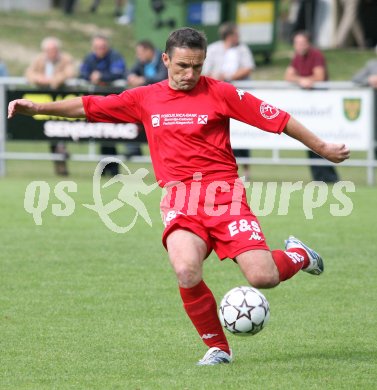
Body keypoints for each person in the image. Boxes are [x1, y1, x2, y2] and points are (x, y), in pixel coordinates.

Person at [8, 27, 350, 366]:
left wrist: (322, 148)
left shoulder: (221, 93)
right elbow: (89, 106)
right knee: (186, 270)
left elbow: (278, 119)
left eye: (198, 66)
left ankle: (298, 255)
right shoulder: (145, 98)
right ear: (166, 59)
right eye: (182, 66)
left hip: (225, 197)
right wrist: (36, 107)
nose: (190, 74)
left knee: (263, 277)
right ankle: (219, 348)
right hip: (179, 200)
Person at [202, 22, 256, 180]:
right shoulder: (213, 49)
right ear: (229, 35)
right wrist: (217, 79)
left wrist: (229, 77)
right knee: (218, 133)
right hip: (216, 97)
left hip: (238, 97)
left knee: (242, 134)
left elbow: (248, 67)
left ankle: (245, 170)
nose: (238, 37)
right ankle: (217, 169)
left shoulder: (242, 49)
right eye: (236, 34)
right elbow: (206, 71)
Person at [285, 30, 339, 183]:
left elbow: (319, 77)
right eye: (297, 43)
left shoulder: (316, 55)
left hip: (321, 109)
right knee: (310, 143)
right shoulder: (297, 58)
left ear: (308, 43)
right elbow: (288, 76)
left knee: (321, 142)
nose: (299, 46)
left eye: (302, 43)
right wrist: (301, 80)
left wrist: (304, 80)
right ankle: (319, 178)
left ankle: (330, 178)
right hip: (309, 110)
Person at [26, 36, 76, 176]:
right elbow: (29, 73)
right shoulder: (39, 59)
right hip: (44, 103)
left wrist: (54, 81)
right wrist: (42, 80)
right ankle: (60, 166)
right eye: (49, 50)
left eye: (54, 49)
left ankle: (62, 159)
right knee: (50, 134)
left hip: (62, 102)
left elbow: (70, 73)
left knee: (62, 132)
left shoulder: (66, 59)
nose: (51, 52)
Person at [80, 35, 127, 175]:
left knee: (112, 135)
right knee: (102, 134)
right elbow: (82, 72)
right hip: (98, 102)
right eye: (97, 48)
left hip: (115, 101)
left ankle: (114, 169)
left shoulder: (115, 56)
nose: (100, 50)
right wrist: (91, 77)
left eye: (102, 47)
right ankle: (105, 168)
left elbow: (119, 73)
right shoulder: (89, 58)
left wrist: (101, 77)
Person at [126, 40, 168, 158]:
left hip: (163, 102)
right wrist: (131, 76)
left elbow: (162, 77)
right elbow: (129, 71)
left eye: (140, 53)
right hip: (146, 102)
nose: (138, 56)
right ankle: (133, 149)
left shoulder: (162, 59)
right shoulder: (141, 61)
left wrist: (143, 80)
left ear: (149, 51)